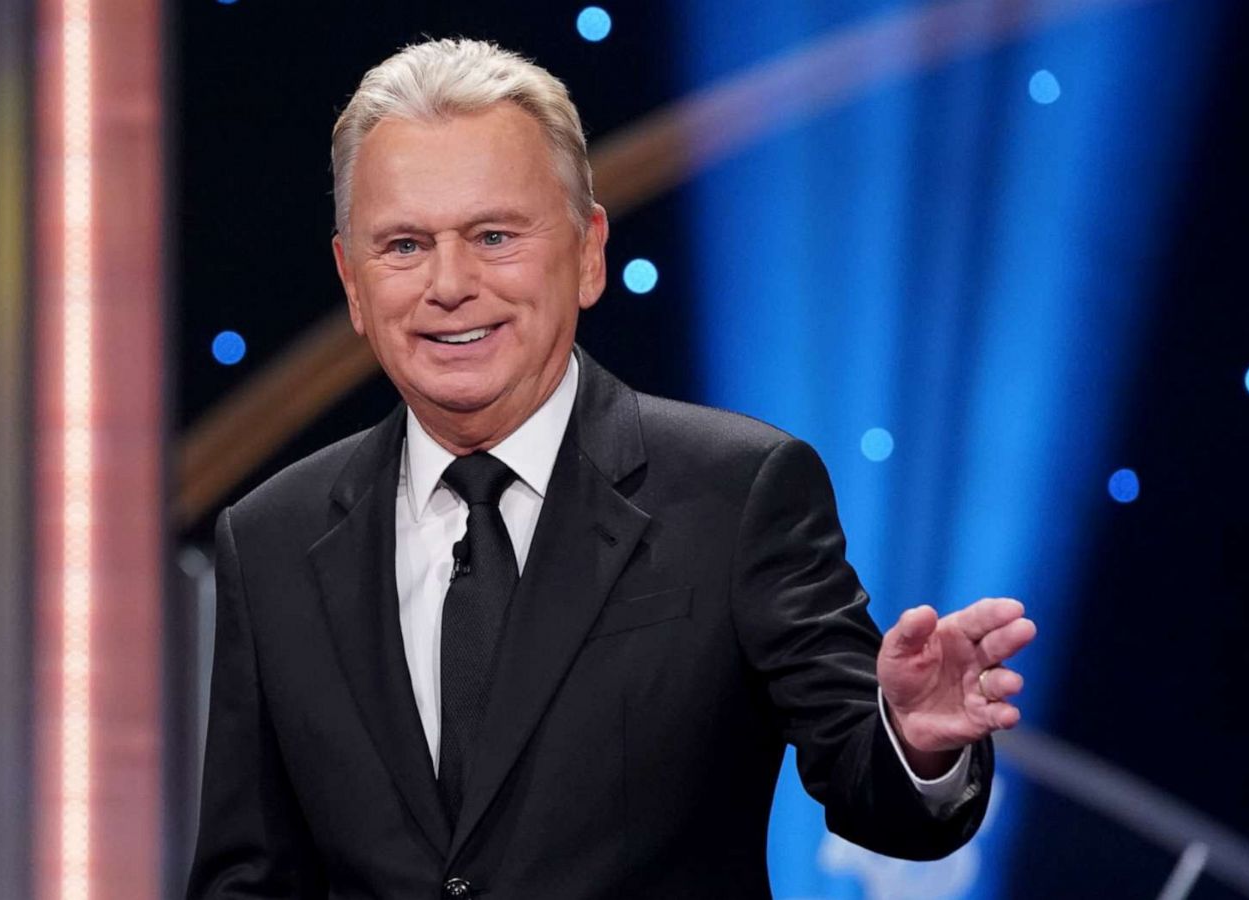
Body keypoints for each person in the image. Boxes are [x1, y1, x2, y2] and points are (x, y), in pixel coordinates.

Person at [187, 38, 1036, 900]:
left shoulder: (738, 492)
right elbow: (248, 875)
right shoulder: (270, 540)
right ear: (352, 282)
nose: (449, 283)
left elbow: (876, 794)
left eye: (494, 235)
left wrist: (916, 739)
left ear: (589, 251)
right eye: (404, 245)